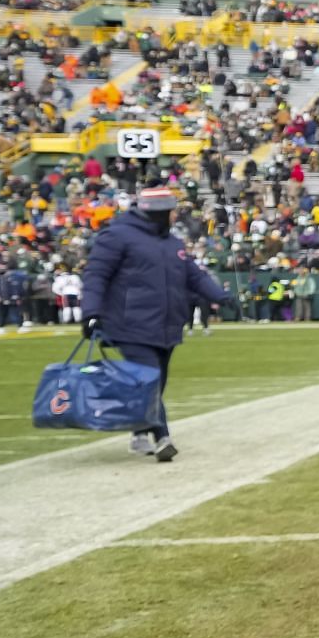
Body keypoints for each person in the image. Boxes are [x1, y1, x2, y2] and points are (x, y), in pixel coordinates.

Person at [80, 185, 230, 463]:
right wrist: (90, 312)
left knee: (155, 382)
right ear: (158, 213)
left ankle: (139, 432)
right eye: (170, 211)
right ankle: (162, 437)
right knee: (147, 379)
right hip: (129, 323)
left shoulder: (172, 243)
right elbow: (96, 275)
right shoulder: (117, 236)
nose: (174, 216)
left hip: (168, 324)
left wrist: (221, 296)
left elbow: (194, 276)